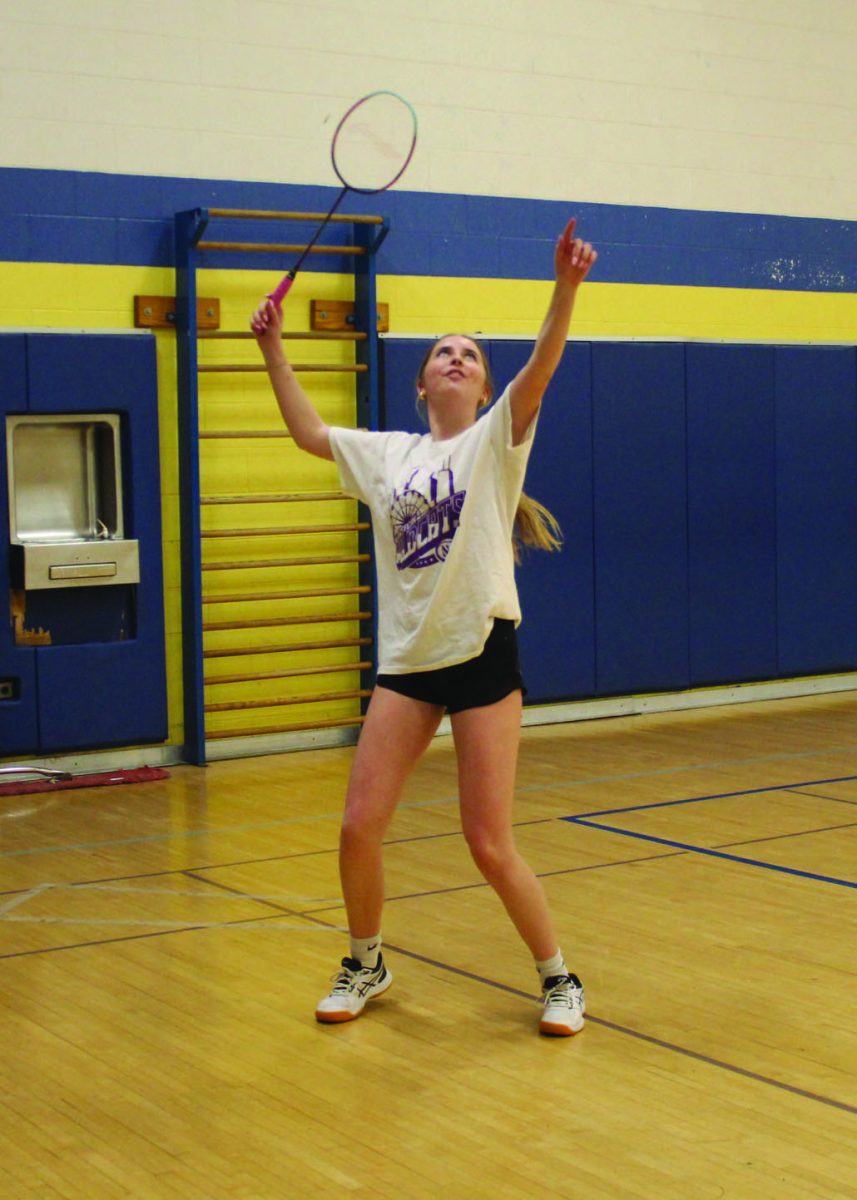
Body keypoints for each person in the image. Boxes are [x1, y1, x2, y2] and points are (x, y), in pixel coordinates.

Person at [251, 217, 597, 1036]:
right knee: (356, 825)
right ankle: (366, 960)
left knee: (487, 842)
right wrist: (271, 348)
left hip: (480, 652)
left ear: (482, 391)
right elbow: (307, 431)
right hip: (407, 663)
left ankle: (558, 978)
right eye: (442, 353)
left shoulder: (493, 442)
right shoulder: (387, 456)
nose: (456, 359)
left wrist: (565, 288)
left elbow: (541, 367)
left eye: (470, 356)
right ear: (420, 384)